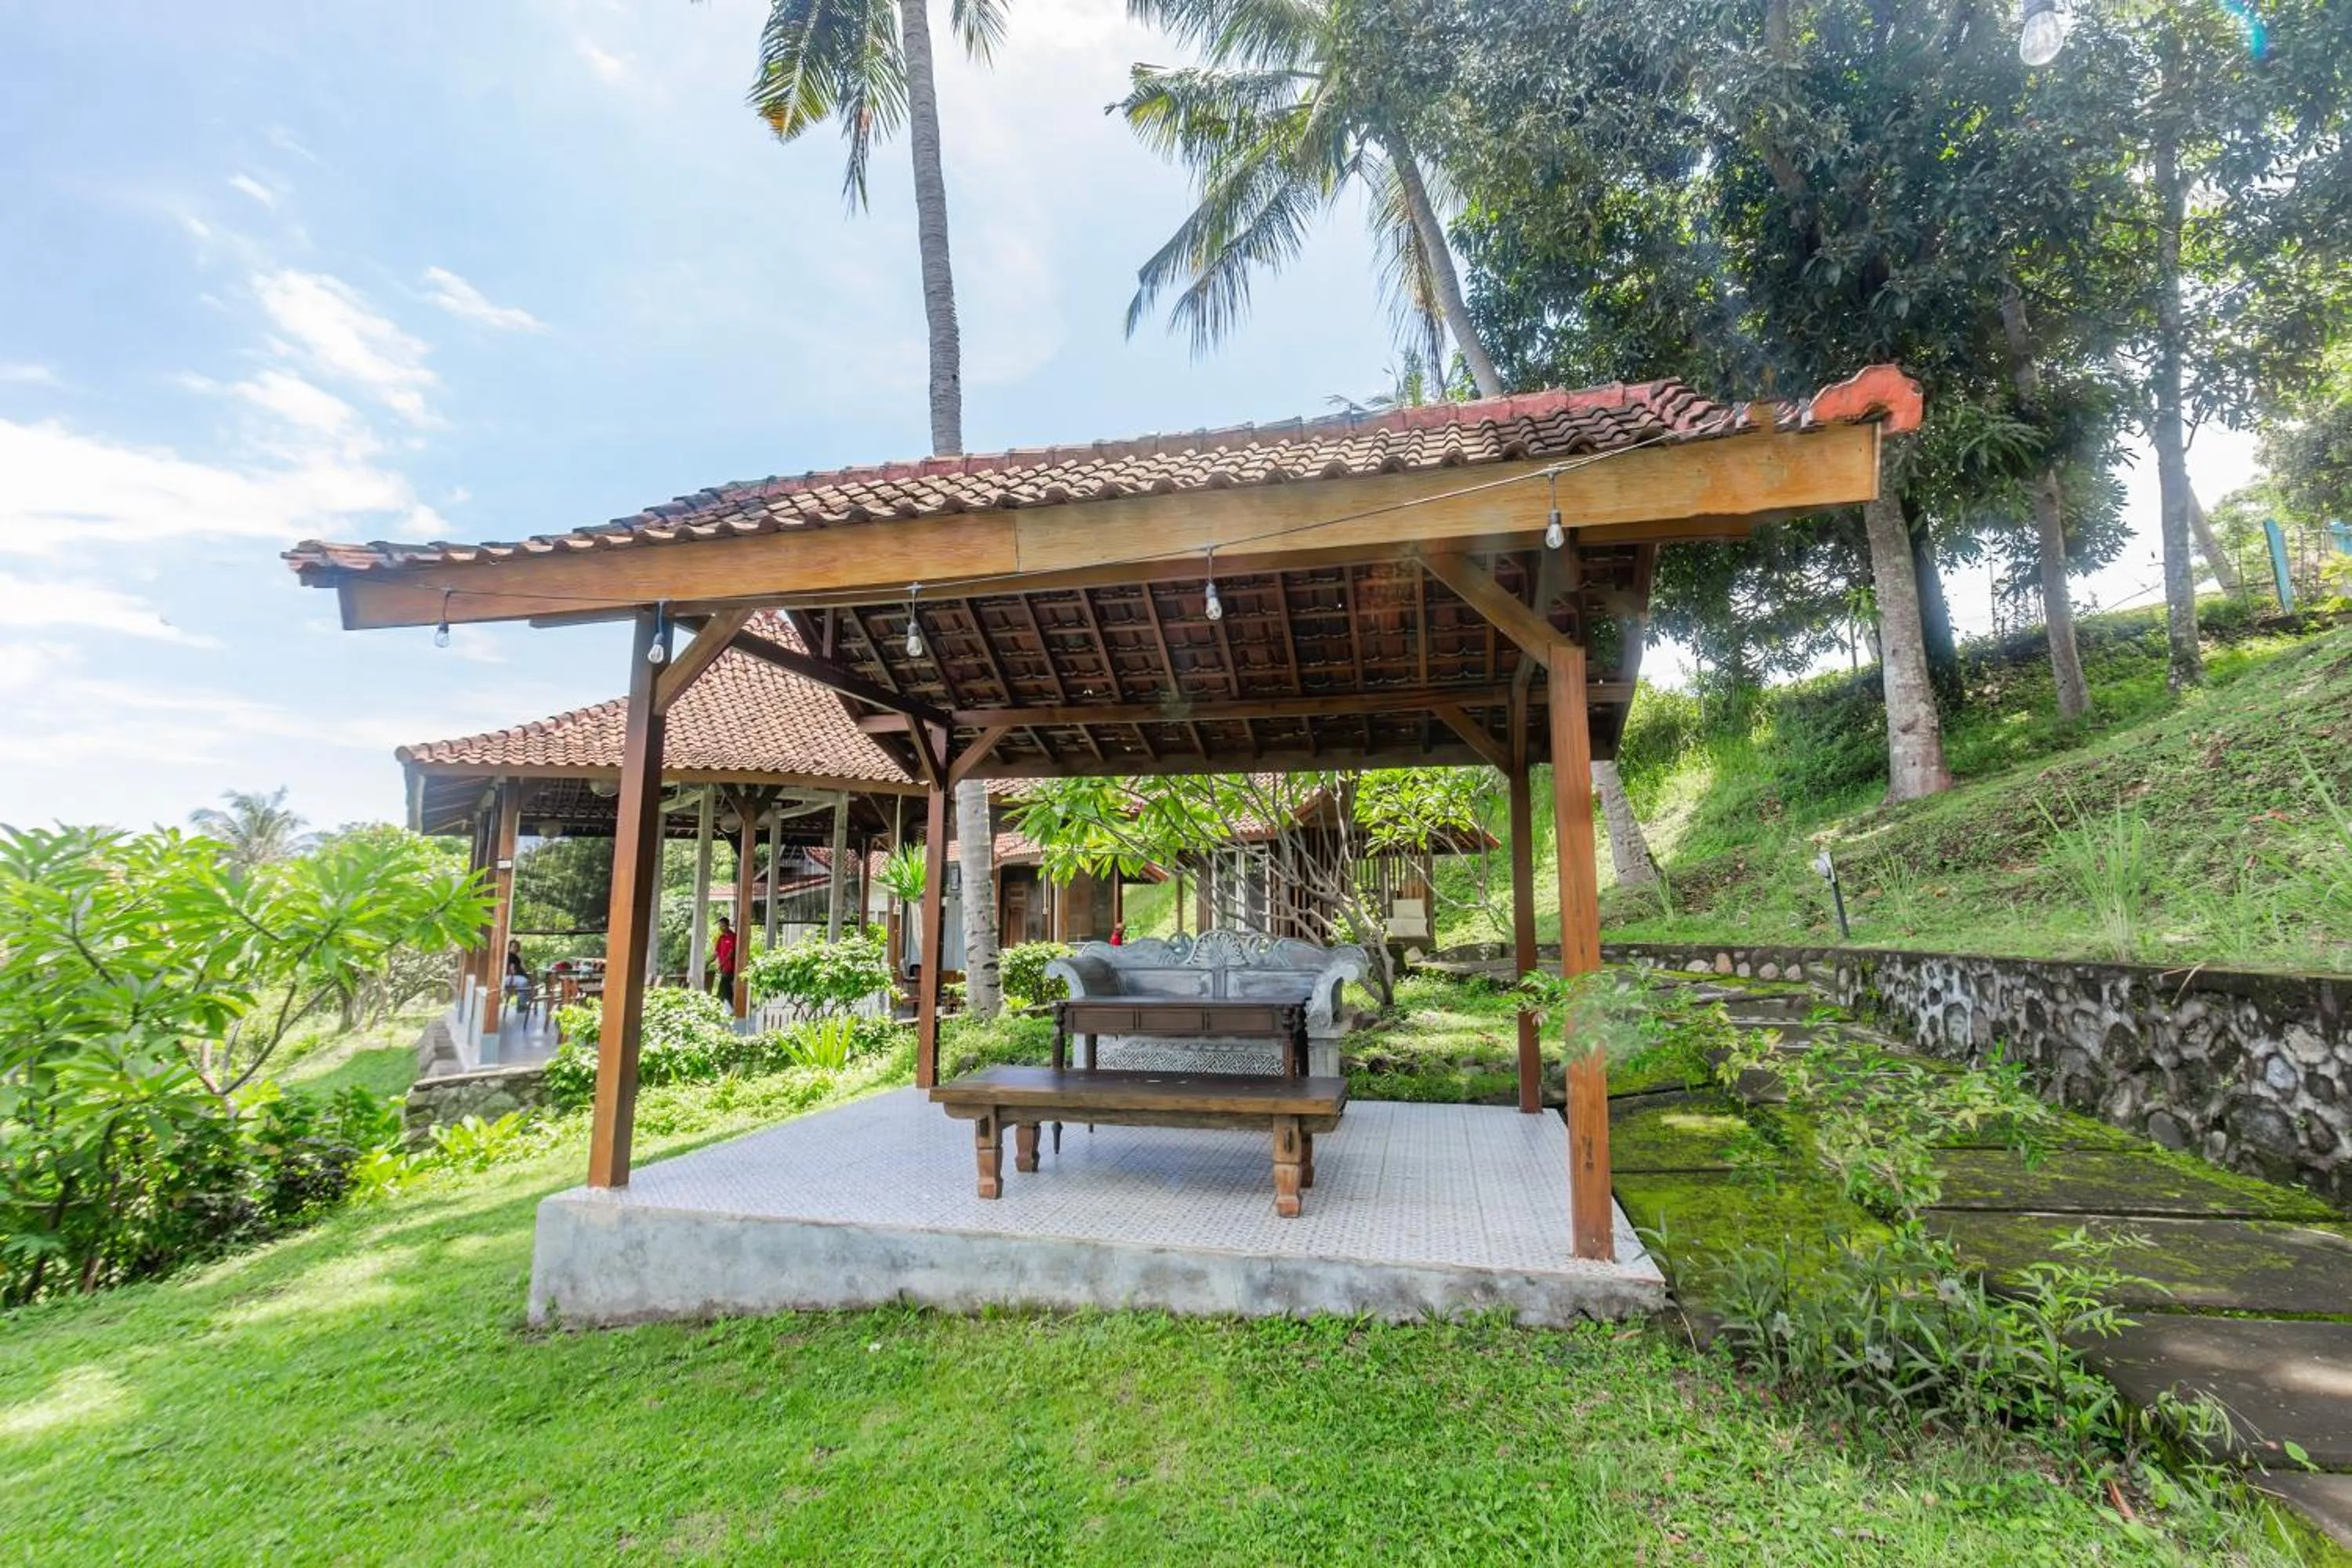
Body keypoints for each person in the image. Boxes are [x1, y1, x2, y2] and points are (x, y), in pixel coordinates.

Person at [712, 916, 739, 1004]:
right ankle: (727, 1008)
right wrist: (707, 963)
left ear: (728, 925)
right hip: (723, 969)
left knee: (726, 991)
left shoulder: (733, 937)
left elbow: (731, 954)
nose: (720, 928)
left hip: (730, 968)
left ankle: (731, 1009)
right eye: (719, 926)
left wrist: (722, 964)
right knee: (722, 991)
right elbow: (716, 952)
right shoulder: (721, 938)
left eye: (722, 925)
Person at [503, 939, 532, 1020]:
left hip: (515, 976)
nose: (514, 948)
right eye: (513, 946)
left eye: (516, 947)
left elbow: (523, 967)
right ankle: (521, 1006)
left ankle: (524, 1003)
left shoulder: (516, 956)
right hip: (509, 977)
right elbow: (512, 968)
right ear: (509, 946)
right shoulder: (509, 955)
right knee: (524, 982)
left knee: (528, 981)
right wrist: (513, 972)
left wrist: (520, 959)